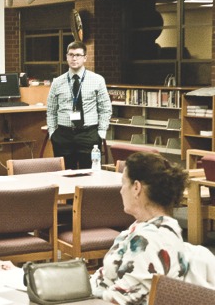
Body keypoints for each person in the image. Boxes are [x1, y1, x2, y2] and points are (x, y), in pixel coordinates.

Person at [90, 152, 189, 304]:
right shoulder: (146, 225)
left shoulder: (150, 239)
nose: (121, 190)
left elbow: (123, 298)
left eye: (124, 183)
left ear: (136, 187)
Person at [46, 41, 111, 170]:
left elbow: (105, 108)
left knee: (89, 176)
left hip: (88, 134)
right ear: (66, 57)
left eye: (78, 55)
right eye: (71, 55)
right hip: (63, 135)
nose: (74, 58)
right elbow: (51, 110)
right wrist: (52, 133)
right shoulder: (57, 82)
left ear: (85, 58)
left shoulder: (97, 80)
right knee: (64, 176)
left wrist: (101, 132)